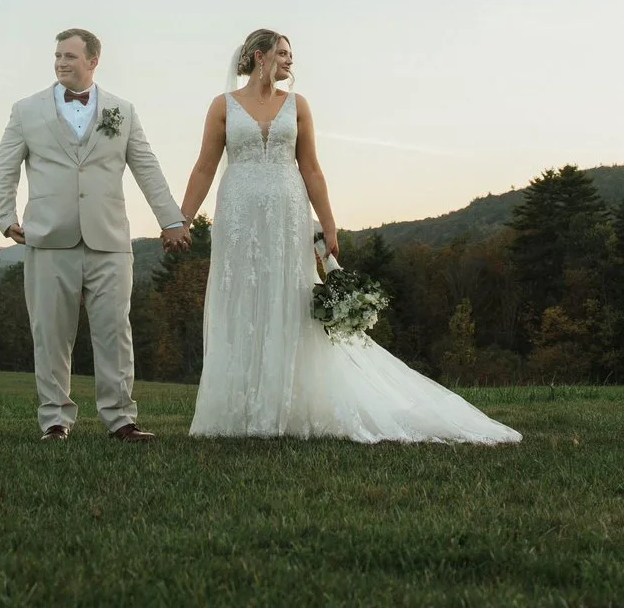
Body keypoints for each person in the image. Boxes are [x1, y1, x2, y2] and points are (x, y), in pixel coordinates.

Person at [180, 28, 519, 443]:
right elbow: (203, 167)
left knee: (289, 300)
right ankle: (240, 410)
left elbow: (312, 169)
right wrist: (181, 220)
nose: (290, 61)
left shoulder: (298, 106)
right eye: (283, 52)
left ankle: (285, 406)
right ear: (257, 56)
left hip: (288, 215)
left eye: (291, 54)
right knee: (243, 298)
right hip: (238, 217)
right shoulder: (223, 106)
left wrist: (328, 221)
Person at [0, 28, 190, 441]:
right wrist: (5, 216)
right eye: (58, 55)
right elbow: (5, 167)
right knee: (50, 333)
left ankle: (121, 420)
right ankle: (55, 421)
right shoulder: (26, 110)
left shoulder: (123, 110)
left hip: (110, 240)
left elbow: (146, 166)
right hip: (47, 238)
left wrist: (170, 219)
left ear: (93, 60)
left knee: (115, 331)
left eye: (70, 56)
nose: (61, 62)